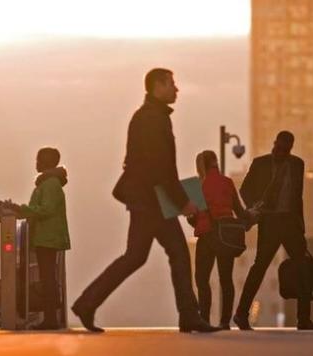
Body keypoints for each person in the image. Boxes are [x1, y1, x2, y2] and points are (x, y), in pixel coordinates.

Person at [72, 68, 218, 333]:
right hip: (151, 202)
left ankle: (88, 303)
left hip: (149, 199)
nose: (177, 89)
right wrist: (183, 202)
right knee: (167, 255)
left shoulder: (151, 117)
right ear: (157, 86)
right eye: (171, 84)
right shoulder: (152, 119)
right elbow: (159, 167)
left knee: (144, 256)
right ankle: (188, 316)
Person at [234, 131, 313, 330]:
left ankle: (304, 319)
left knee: (303, 268)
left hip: (291, 223)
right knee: (259, 267)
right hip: (270, 221)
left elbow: (298, 198)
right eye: (276, 147)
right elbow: (245, 189)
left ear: (290, 149)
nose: (278, 151)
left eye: (283, 149)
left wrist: (300, 227)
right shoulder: (260, 163)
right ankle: (241, 314)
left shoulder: (297, 165)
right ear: (274, 144)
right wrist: (257, 207)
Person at [1, 147, 71, 330]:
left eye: (39, 159)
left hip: (48, 237)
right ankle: (50, 317)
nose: (36, 162)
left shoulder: (50, 185)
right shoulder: (47, 184)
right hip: (46, 237)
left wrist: (21, 209)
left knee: (47, 278)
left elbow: (46, 210)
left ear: (46, 162)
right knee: (47, 277)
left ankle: (50, 319)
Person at [189, 150, 250, 329]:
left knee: (202, 279)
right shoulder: (228, 182)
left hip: (207, 237)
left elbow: (193, 218)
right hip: (226, 236)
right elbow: (239, 211)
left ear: (201, 166)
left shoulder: (198, 186)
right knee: (226, 279)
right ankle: (225, 321)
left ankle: (205, 319)